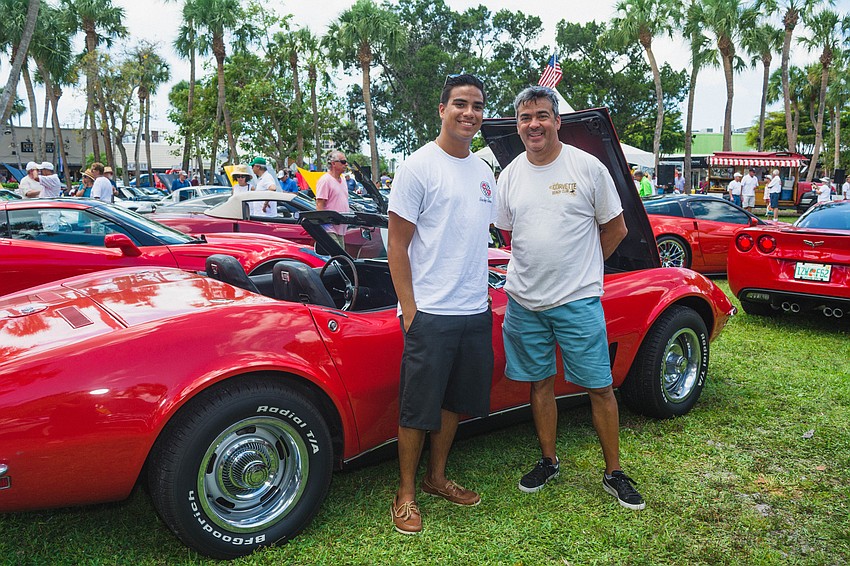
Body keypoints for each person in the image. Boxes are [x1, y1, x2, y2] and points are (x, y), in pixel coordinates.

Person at [494, 85, 644, 510]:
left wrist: (583, 266)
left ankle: (614, 472)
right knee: (540, 383)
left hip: (577, 301)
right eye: (525, 118)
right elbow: (508, 230)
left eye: (542, 115)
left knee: (599, 387)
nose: (533, 124)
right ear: (518, 125)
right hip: (524, 301)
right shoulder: (510, 174)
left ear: (557, 120)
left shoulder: (588, 167)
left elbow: (615, 228)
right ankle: (548, 460)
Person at [387, 73, 496, 536]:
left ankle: (436, 478)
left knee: (452, 402)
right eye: (459, 104)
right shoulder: (417, 167)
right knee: (418, 407)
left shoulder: (485, 173)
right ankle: (406, 493)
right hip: (429, 311)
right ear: (441, 109)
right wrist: (410, 310)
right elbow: (396, 243)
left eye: (476, 105)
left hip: (474, 309)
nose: (468, 113)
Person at [315, 151, 351, 250]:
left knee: (342, 258)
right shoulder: (325, 180)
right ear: (333, 163)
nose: (346, 164)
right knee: (339, 257)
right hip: (329, 229)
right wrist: (324, 226)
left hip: (340, 228)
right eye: (343, 162)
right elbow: (319, 204)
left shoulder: (343, 180)